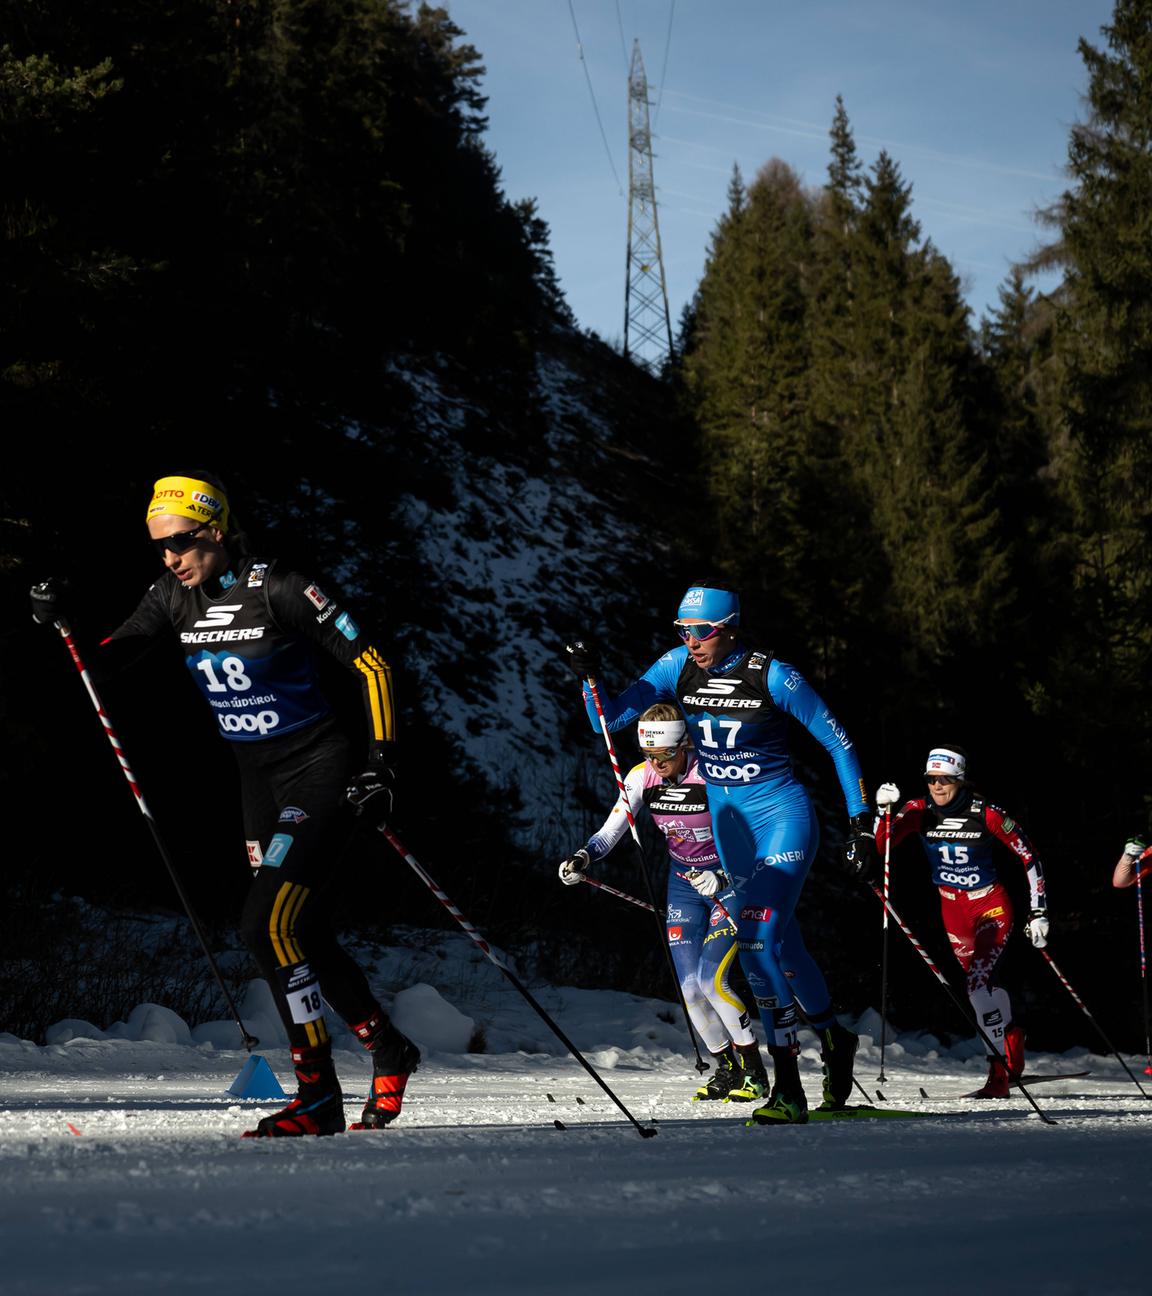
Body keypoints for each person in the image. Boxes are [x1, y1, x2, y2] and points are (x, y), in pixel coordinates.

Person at [29, 471, 419, 1137]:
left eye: (180, 541)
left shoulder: (282, 586)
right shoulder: (170, 596)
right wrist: (63, 621)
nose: (170, 557)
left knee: (264, 925)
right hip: (256, 784)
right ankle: (386, 1045)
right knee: (301, 930)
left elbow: (373, 664)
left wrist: (381, 763)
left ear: (215, 530)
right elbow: (107, 661)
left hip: (319, 768)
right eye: (159, 547)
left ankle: (316, 1094)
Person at [565, 582, 871, 1125]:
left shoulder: (772, 674)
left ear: (729, 627)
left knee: (755, 944)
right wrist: (591, 678)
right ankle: (833, 1036)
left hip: (781, 820)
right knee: (786, 947)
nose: (691, 641)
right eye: (683, 631)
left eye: (700, 632)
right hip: (732, 830)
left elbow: (837, 741)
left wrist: (860, 821)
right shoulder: (675, 666)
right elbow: (607, 722)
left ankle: (788, 1088)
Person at [558, 703, 769, 1102]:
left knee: (712, 979)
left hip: (730, 882)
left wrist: (723, 874)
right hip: (684, 884)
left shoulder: (711, 773)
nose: (658, 763)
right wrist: (582, 858)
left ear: (684, 745)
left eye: (666, 755)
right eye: (650, 755)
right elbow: (609, 832)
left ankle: (755, 1072)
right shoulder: (642, 777)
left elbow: (756, 834)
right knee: (689, 988)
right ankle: (726, 1069)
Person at [864, 745, 1049, 1098]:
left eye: (945, 779)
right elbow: (880, 847)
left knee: (978, 988)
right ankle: (1011, 1037)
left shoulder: (986, 814)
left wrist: (1038, 911)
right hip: (952, 910)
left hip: (990, 907)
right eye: (931, 779)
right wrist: (882, 813)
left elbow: (1030, 857)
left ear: (960, 781)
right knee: (983, 987)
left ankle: (998, 1077)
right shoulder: (918, 811)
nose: (937, 786)